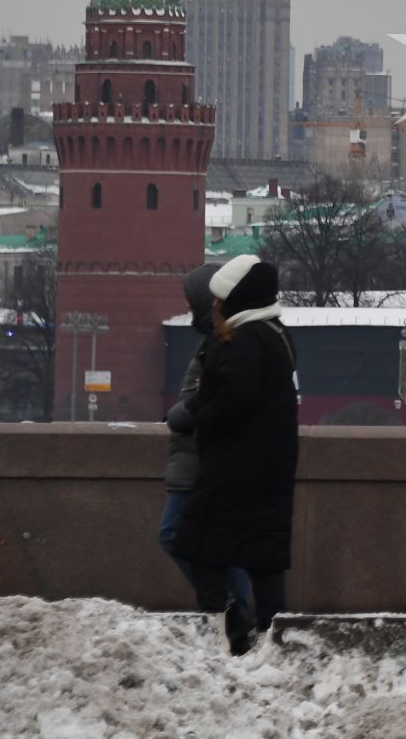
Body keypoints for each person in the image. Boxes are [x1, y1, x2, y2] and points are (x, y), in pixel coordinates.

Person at [169, 254, 299, 654]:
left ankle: (230, 619)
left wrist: (198, 419)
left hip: (238, 467)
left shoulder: (245, 340)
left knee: (193, 540)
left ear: (237, 299)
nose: (215, 305)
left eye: (221, 298)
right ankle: (272, 636)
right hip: (270, 466)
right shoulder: (273, 334)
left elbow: (231, 397)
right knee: (264, 557)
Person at [159, 262, 253, 622]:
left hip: (203, 462)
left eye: (192, 302)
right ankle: (235, 612)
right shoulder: (219, 342)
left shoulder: (223, 345)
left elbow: (192, 409)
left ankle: (228, 606)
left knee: (175, 535)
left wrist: (179, 415)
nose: (188, 310)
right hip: (206, 461)